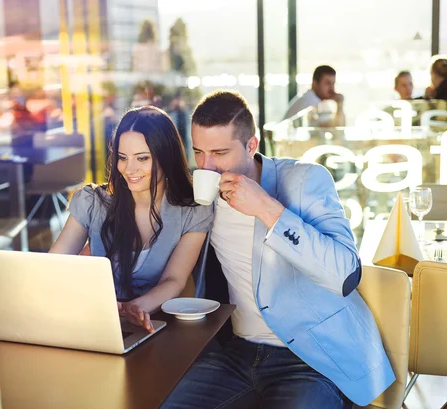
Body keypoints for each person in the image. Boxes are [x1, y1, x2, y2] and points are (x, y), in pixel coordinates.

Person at [162, 91, 394, 409]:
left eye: (219, 152)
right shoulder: (204, 197)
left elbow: (345, 273)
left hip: (311, 358)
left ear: (252, 145)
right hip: (237, 354)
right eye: (199, 152)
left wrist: (267, 209)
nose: (208, 166)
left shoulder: (305, 180)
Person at [49, 106, 214, 333]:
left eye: (142, 158)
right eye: (122, 158)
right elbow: (53, 266)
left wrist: (136, 308)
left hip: (159, 326)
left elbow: (174, 279)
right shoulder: (92, 202)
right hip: (95, 323)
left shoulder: (193, 211)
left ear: (166, 157)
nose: (130, 169)